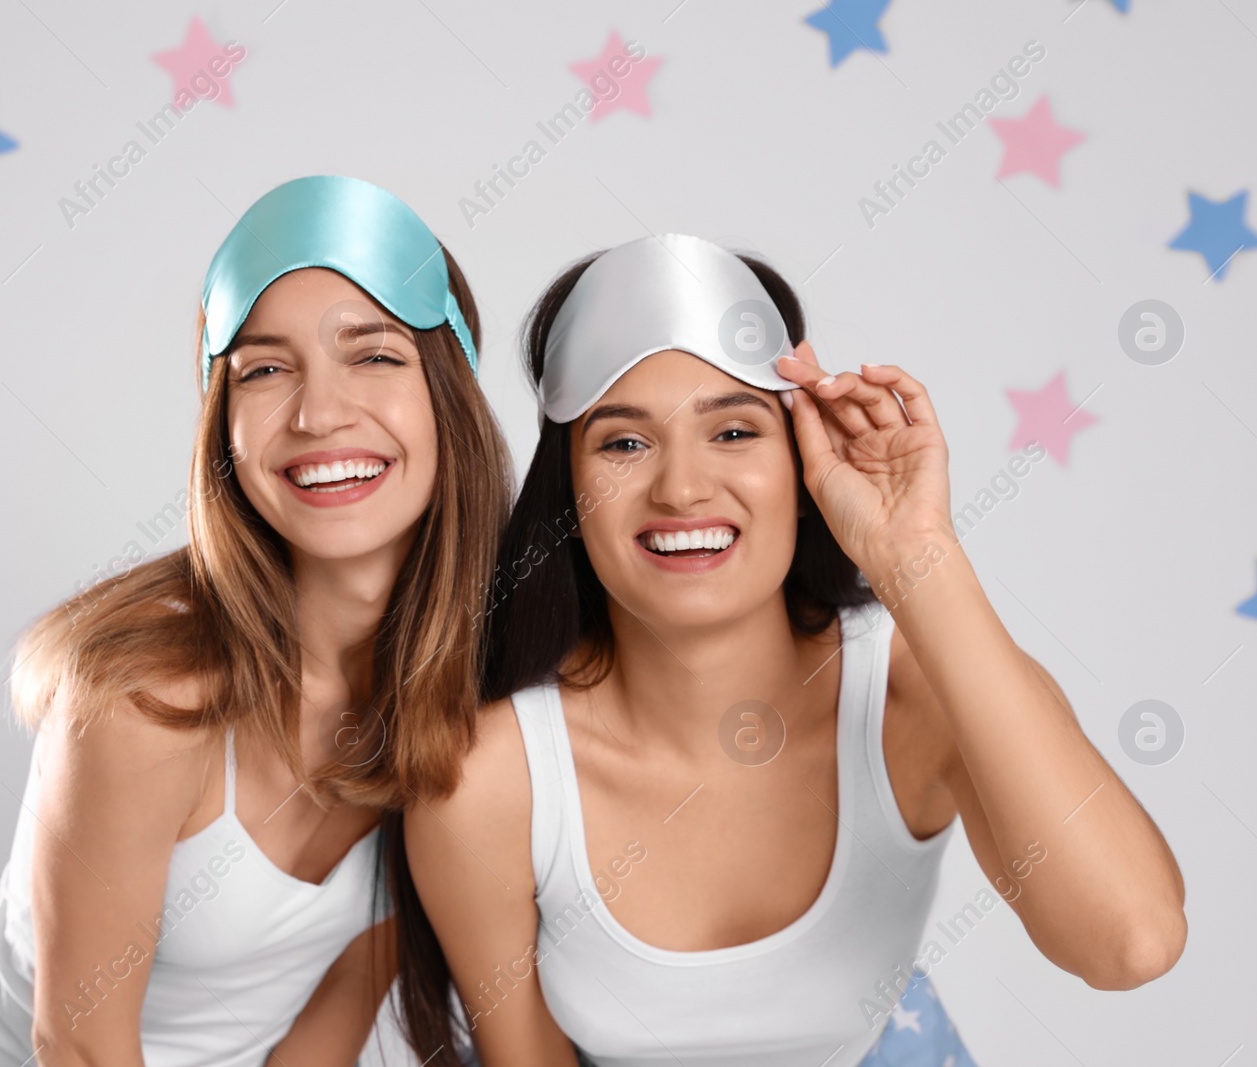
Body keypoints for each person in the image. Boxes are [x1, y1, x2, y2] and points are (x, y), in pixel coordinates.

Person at [396, 233, 1187, 1066]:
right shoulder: (488, 780)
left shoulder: (909, 697)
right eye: (624, 442)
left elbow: (1132, 941)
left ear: (805, 466)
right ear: (570, 494)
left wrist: (917, 554)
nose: (682, 487)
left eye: (734, 432)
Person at [0, 175, 511, 1067]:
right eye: (266, 370)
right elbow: (79, 1042)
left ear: (451, 394)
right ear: (224, 429)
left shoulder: (488, 674)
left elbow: (344, 1002)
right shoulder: (148, 695)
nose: (320, 413)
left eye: (374, 355)